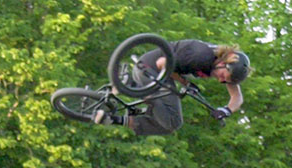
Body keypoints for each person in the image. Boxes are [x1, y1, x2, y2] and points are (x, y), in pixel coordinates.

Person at [95, 40, 251, 135]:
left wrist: (226, 110)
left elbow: (237, 97)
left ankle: (113, 120)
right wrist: (186, 83)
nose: (221, 81)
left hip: (157, 72)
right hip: (150, 69)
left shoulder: (223, 66)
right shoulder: (202, 57)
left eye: (225, 81)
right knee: (173, 120)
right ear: (224, 63)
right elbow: (163, 64)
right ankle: (129, 84)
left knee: (168, 125)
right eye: (223, 77)